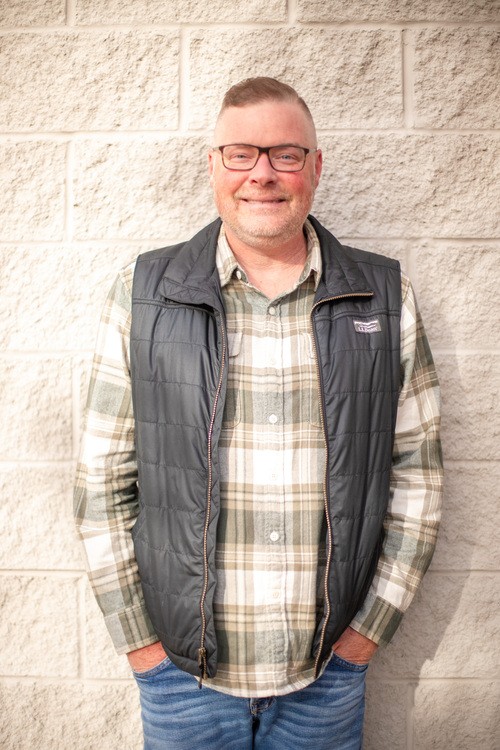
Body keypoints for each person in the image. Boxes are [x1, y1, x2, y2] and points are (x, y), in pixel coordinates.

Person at [74, 77, 443, 750]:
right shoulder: (142, 295)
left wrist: (363, 639)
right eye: (241, 153)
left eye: (285, 154)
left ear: (315, 166)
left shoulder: (384, 298)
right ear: (213, 165)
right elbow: (102, 485)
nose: (262, 174)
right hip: (181, 681)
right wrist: (144, 650)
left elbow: (418, 477)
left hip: (327, 677)